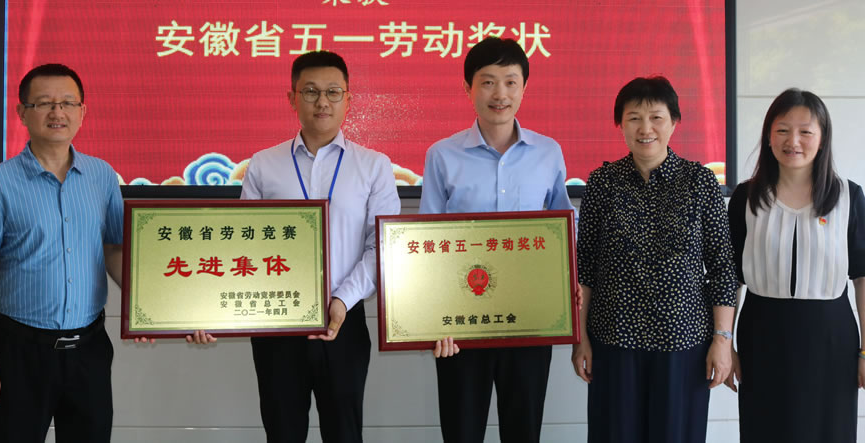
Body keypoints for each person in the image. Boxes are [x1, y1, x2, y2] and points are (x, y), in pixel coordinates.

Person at [0, 63, 129, 442]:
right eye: (45, 103)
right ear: (22, 112)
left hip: (89, 349)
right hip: (20, 351)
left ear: (82, 112)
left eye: (68, 103)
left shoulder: (102, 176)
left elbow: (114, 250)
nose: (57, 112)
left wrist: (145, 306)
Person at [238, 50, 401, 442]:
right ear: (292, 98)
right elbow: (244, 245)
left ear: (349, 99)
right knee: (282, 431)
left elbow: (381, 246)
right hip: (277, 322)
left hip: (344, 320)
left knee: (344, 433)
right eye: (310, 91)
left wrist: (342, 299)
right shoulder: (263, 165)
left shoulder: (374, 166)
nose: (322, 102)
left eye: (333, 92)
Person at [421, 37, 572, 443]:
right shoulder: (442, 155)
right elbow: (425, 243)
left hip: (531, 320)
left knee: (524, 432)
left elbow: (562, 235)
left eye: (510, 82)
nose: (499, 94)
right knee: (461, 431)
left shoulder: (548, 152)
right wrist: (433, 318)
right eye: (487, 82)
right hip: (461, 324)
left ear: (524, 87)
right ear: (468, 88)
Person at [572, 76, 737, 443]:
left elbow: (722, 267)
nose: (645, 129)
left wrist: (722, 340)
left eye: (656, 118)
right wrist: (579, 338)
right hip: (614, 341)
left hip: (684, 343)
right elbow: (585, 267)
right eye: (634, 118)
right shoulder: (602, 183)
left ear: (674, 122)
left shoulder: (700, 182)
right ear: (620, 124)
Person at [725, 89, 865, 443]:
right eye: (782, 130)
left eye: (805, 131)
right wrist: (725, 343)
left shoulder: (848, 196)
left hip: (831, 340)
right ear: (769, 136)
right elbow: (730, 279)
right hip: (762, 337)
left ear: (822, 138)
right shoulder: (745, 198)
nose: (793, 141)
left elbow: (864, 276)